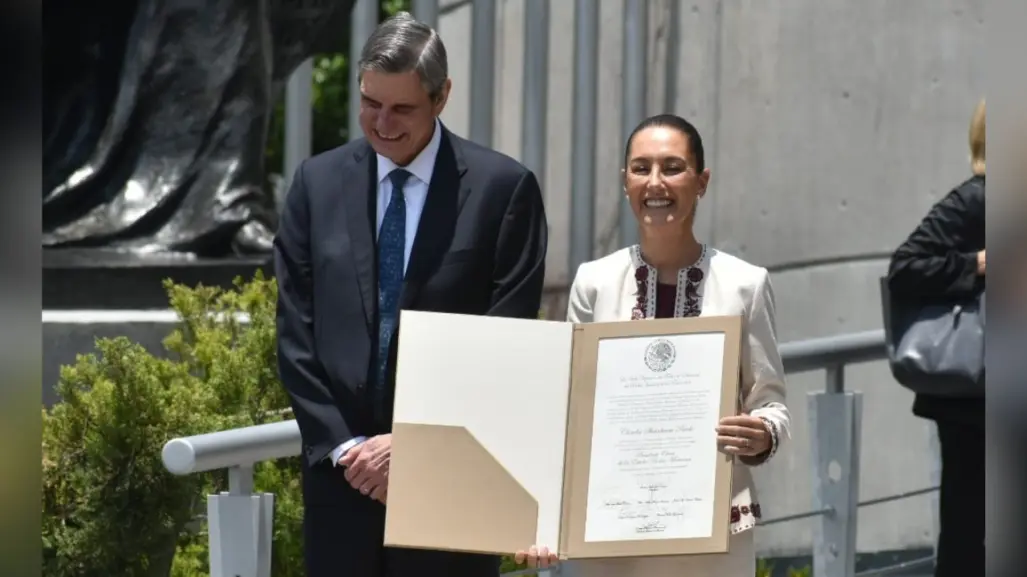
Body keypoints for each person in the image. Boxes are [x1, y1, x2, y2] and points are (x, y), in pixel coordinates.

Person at [274, 12, 548, 577]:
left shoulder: (503, 191)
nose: (381, 122)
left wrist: (413, 445)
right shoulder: (315, 183)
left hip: (452, 483)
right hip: (341, 484)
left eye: (402, 108)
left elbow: (506, 344)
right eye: (370, 103)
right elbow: (295, 331)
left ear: (442, 96)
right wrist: (348, 449)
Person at [516, 114, 790, 576]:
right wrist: (545, 517)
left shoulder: (746, 284)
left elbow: (771, 403)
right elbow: (565, 411)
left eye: (673, 167)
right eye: (641, 168)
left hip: (712, 535)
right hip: (608, 533)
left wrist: (760, 434)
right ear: (625, 181)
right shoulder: (594, 282)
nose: (655, 182)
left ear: (701, 181)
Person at [886, 98, 985, 577]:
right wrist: (979, 264)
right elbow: (905, 269)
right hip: (976, 398)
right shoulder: (977, 199)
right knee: (968, 525)